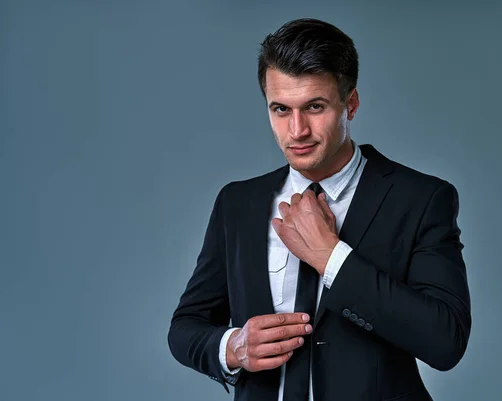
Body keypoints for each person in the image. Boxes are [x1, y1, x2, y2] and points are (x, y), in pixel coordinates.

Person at [168, 18, 471, 401]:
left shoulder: (421, 199)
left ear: (352, 104)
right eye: (280, 109)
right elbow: (185, 327)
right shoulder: (237, 203)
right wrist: (232, 347)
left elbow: (445, 341)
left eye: (314, 107)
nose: (297, 131)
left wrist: (331, 258)